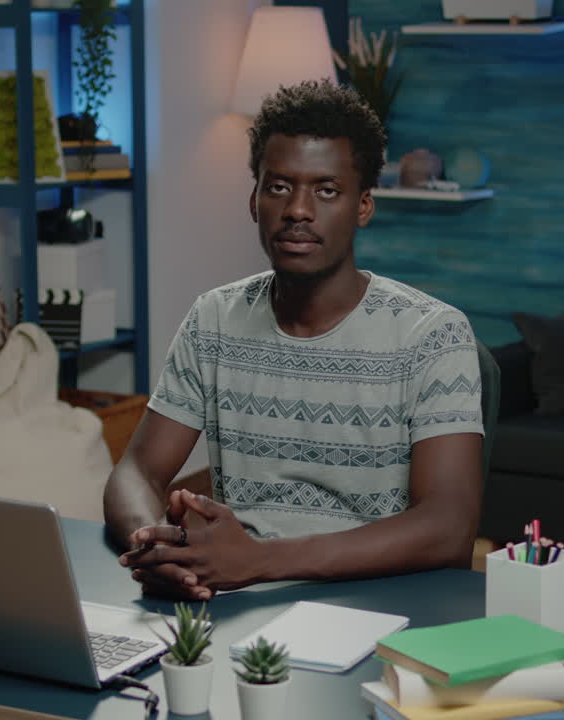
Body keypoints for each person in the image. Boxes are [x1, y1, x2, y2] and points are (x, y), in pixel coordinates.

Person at [103, 79, 485, 600]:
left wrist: (259, 562)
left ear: (363, 207)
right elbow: (137, 472)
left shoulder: (432, 335)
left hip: (376, 605)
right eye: (279, 186)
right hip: (236, 598)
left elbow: (449, 526)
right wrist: (156, 546)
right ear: (254, 200)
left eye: (326, 190)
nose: (298, 210)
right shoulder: (214, 319)